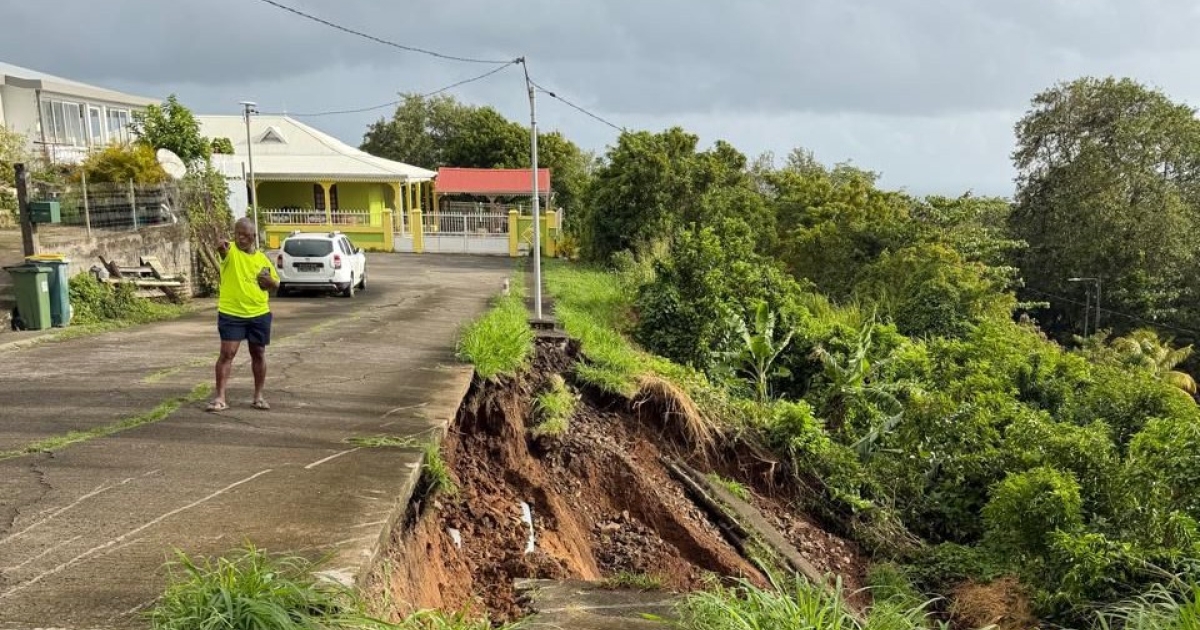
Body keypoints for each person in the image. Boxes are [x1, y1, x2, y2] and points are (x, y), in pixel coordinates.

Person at [207, 217, 279, 412]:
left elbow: (276, 284)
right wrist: (221, 246)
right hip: (232, 313)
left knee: (258, 353)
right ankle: (220, 397)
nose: (241, 239)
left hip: (259, 312)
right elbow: (222, 249)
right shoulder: (231, 253)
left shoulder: (262, 259)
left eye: (246, 236)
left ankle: (258, 396)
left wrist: (268, 281)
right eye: (238, 234)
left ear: (254, 237)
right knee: (227, 353)